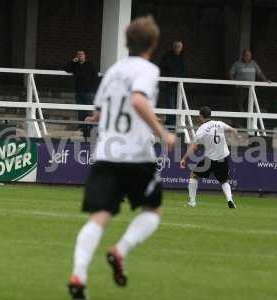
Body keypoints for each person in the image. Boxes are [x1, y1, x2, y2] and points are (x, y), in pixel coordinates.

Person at [68, 16, 176, 300]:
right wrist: (163, 132)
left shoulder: (114, 71)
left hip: (106, 154)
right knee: (153, 211)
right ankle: (120, 250)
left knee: (98, 218)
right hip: (137, 154)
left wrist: (100, 118)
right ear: (152, 44)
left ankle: (79, 273)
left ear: (127, 42)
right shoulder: (148, 70)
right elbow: (138, 100)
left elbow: (98, 112)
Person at [179, 106, 240, 208]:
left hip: (210, 160)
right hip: (223, 157)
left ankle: (192, 202)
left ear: (201, 116)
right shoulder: (219, 124)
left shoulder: (201, 129)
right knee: (224, 180)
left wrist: (184, 158)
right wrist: (237, 137)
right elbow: (233, 130)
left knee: (193, 175)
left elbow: (194, 147)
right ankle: (230, 200)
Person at [64, 50, 98, 137]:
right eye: (78, 55)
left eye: (81, 54)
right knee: (81, 111)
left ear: (85, 55)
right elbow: (66, 69)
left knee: (90, 110)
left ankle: (91, 129)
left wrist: (93, 88)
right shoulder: (75, 65)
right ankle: (82, 128)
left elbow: (95, 76)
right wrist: (72, 61)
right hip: (79, 91)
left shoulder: (90, 64)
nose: (80, 56)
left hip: (89, 92)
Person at [229, 49, 270, 116]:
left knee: (249, 106)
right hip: (241, 89)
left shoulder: (254, 63)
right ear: (242, 56)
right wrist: (234, 83)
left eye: (249, 55)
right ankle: (237, 124)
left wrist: (266, 80)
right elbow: (231, 73)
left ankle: (246, 123)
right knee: (238, 106)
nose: (247, 57)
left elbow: (259, 73)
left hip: (251, 89)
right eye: (246, 55)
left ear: (251, 56)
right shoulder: (237, 64)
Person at [160, 41, 186, 126]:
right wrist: (167, 79)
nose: (178, 49)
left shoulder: (182, 57)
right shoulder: (167, 57)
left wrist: (181, 79)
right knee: (170, 103)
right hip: (169, 84)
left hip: (179, 84)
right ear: (174, 47)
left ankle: (174, 121)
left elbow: (183, 70)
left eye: (180, 47)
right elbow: (163, 68)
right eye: (177, 47)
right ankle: (171, 121)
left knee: (178, 102)